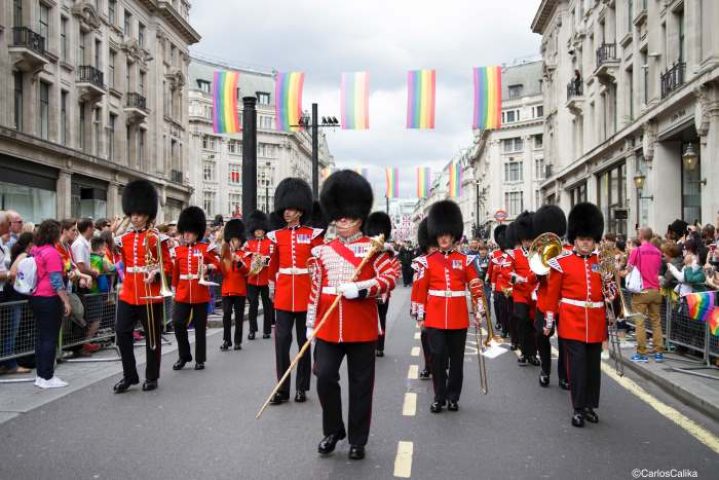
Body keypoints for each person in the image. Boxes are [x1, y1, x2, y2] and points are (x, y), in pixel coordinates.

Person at [307, 170, 398, 460]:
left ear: (359, 215)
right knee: (324, 378)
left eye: (349, 215)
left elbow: (390, 277)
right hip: (328, 325)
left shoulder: (374, 249)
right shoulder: (322, 251)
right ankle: (333, 430)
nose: (343, 220)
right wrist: (311, 324)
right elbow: (315, 289)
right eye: (340, 215)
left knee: (361, 386)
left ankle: (358, 439)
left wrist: (360, 288)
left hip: (361, 327)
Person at [414, 200, 483, 414]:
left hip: (457, 317)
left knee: (457, 361)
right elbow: (420, 290)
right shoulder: (428, 261)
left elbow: (475, 285)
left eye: (447, 234)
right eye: (440, 234)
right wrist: (420, 315)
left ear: (454, 236)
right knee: (438, 358)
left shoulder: (464, 261)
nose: (444, 238)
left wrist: (478, 308)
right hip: (434, 317)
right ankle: (439, 396)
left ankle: (453, 397)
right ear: (436, 236)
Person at [545, 202, 609, 427]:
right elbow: (552, 296)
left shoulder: (602, 262)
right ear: (575, 239)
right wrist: (549, 321)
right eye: (582, 239)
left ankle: (591, 405)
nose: (586, 243)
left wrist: (612, 298)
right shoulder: (561, 263)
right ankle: (578, 408)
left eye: (590, 240)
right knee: (579, 366)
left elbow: (608, 292)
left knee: (593, 367)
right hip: (572, 321)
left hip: (596, 321)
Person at [267, 178, 324, 405]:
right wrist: (271, 286)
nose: (287, 213)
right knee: (281, 342)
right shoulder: (276, 236)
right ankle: (282, 389)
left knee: (303, 343)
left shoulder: (313, 235)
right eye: (285, 209)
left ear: (300, 210)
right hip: (283, 295)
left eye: (290, 209)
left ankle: (301, 387)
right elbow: (272, 265)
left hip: (305, 294)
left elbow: (318, 264)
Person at [113, 180, 172, 393]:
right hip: (129, 292)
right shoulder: (124, 240)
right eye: (133, 214)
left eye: (139, 214)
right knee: (121, 333)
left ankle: (152, 376)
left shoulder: (158, 238)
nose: (135, 217)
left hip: (149, 293)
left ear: (147, 214)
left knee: (152, 338)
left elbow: (168, 264)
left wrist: (156, 272)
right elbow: (125, 265)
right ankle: (130, 376)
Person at [172, 206, 221, 371]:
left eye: (190, 232)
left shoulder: (205, 249)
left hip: (200, 292)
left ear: (197, 233)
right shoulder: (178, 250)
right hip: (183, 292)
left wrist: (209, 267)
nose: (186, 235)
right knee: (178, 323)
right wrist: (173, 290)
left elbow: (219, 265)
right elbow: (175, 273)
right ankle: (184, 355)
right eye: (184, 232)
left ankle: (200, 359)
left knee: (200, 327)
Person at [30, 220, 72, 388]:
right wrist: (66, 300)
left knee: (41, 337)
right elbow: (56, 280)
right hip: (49, 297)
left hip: (36, 296)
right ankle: (47, 376)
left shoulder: (36, 250)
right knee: (50, 338)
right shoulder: (51, 253)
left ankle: (41, 375)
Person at [531, 205, 568, 388]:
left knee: (566, 341)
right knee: (540, 334)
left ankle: (564, 375)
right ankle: (545, 368)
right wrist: (540, 274)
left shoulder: (568, 250)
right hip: (545, 301)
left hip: (565, 302)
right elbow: (532, 276)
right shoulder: (540, 250)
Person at [627, 227, 665, 363]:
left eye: (638, 233)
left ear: (641, 236)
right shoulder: (658, 252)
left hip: (642, 291)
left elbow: (629, 269)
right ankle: (659, 352)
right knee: (656, 322)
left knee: (640, 323)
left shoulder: (636, 251)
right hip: (656, 290)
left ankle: (641, 353)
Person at [363, 211, 397, 357]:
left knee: (381, 318)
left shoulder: (386, 249)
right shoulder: (365, 247)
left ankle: (380, 346)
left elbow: (391, 262)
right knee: (368, 319)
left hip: (382, 290)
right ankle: (370, 344)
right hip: (369, 288)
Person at [0, 232, 34, 374]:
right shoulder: (23, 256)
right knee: (11, 331)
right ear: (31, 244)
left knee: (11, 330)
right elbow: (13, 274)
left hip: (14, 297)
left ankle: (8, 362)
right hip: (14, 298)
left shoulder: (15, 252)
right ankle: (10, 363)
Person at [509, 211, 540, 367]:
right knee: (521, 321)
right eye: (526, 240)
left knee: (533, 324)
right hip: (520, 294)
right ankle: (523, 351)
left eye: (531, 239)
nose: (529, 242)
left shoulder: (539, 254)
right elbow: (509, 274)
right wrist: (519, 279)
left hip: (535, 294)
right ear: (522, 239)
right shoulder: (514, 254)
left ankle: (533, 354)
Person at [410, 218, 436, 380]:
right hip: (425, 305)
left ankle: (440, 364)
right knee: (426, 336)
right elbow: (417, 286)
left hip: (441, 305)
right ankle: (429, 365)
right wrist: (416, 310)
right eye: (432, 246)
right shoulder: (420, 262)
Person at [243, 211, 274, 340]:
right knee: (253, 306)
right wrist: (254, 262)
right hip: (252, 280)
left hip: (265, 280)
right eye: (256, 231)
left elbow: (272, 260)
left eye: (260, 230)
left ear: (264, 230)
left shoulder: (270, 243)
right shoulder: (249, 244)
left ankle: (267, 330)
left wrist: (260, 261)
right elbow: (245, 260)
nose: (258, 232)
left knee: (267, 306)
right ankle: (252, 330)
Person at [219, 218, 249, 351]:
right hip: (226, 290)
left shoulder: (244, 254)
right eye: (232, 240)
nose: (234, 243)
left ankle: (237, 341)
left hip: (240, 290)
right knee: (226, 315)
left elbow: (248, 271)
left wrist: (239, 262)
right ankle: (227, 340)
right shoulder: (225, 254)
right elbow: (222, 272)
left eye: (237, 240)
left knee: (238, 317)